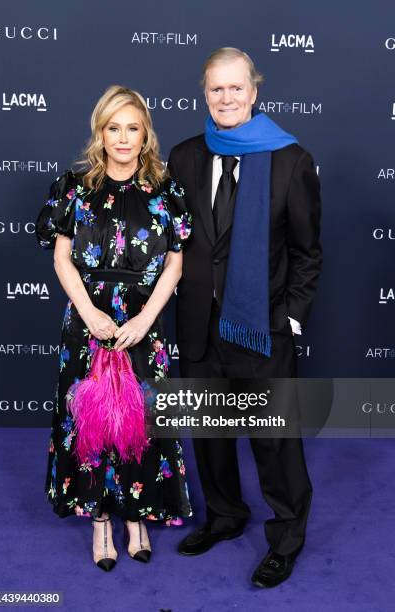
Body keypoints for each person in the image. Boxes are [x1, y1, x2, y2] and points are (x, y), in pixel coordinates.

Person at [168, 48, 322, 588]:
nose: (226, 99)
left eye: (236, 89)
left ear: (254, 92)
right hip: (198, 325)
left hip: (262, 326)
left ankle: (286, 539)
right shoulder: (185, 156)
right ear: (204, 93)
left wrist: (290, 318)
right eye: (216, 89)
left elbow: (307, 253)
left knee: (274, 442)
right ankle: (226, 515)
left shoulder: (291, 160)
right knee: (210, 435)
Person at [36, 85, 192, 572]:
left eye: (132, 128)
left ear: (145, 134)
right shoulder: (74, 188)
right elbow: (62, 258)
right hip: (87, 322)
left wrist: (146, 320)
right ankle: (100, 518)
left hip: (143, 324)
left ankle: (136, 515)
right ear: (99, 133)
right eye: (113, 128)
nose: (123, 138)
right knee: (91, 423)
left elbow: (175, 265)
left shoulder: (167, 191)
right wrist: (87, 311)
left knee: (141, 421)